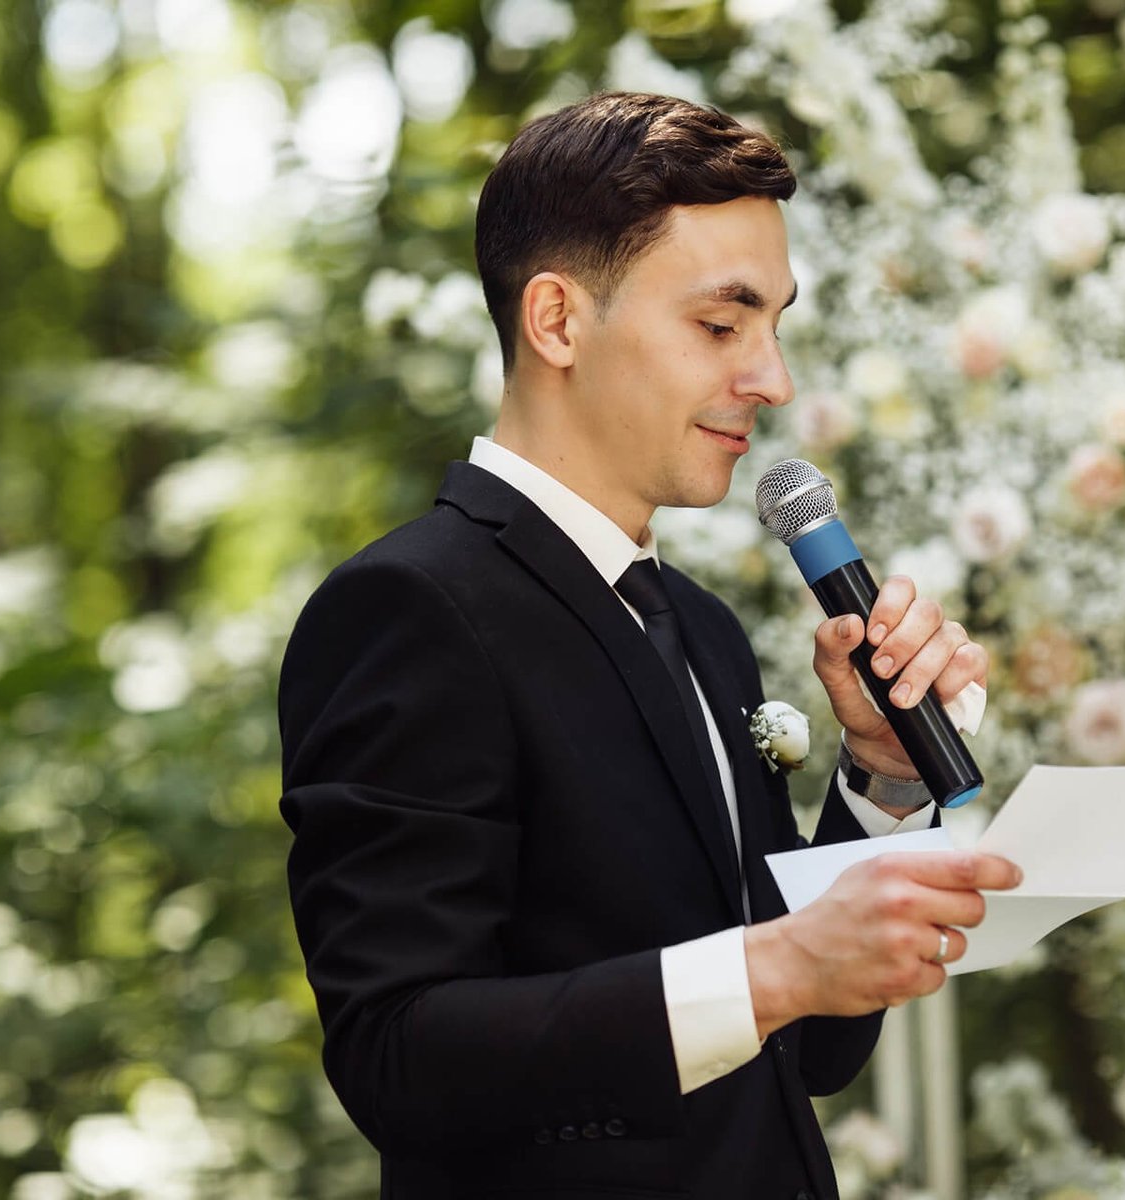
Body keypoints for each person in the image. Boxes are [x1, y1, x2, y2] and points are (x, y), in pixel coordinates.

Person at [278, 92, 1022, 1200]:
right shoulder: (410, 606)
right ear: (559, 321)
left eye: (776, 327)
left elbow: (807, 1051)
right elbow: (398, 1057)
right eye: (722, 326)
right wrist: (776, 968)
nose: (772, 379)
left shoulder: (706, 630)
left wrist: (880, 777)